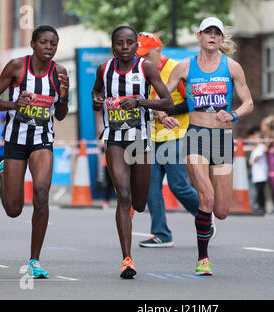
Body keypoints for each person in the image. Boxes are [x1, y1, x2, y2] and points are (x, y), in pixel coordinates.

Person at [161, 17, 254, 275]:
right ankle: (203, 259)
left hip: (222, 140)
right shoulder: (184, 67)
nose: (212, 36)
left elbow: (249, 102)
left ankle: (207, 220)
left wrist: (233, 115)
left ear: (222, 38)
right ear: (199, 36)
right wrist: (161, 115)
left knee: (221, 210)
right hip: (196, 137)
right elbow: (163, 98)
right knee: (207, 197)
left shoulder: (232, 67)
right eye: (207, 32)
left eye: (217, 33)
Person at [0, 25, 70, 279]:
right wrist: (13, 103)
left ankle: (35, 260)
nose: (49, 48)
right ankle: (3, 176)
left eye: (53, 44)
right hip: (15, 141)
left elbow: (61, 115)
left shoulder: (61, 73)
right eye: (43, 42)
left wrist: (64, 97)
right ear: (33, 44)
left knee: (42, 193)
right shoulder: (17, 67)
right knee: (13, 210)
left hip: (43, 141)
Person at [91, 25, 173, 279]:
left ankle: (134, 213)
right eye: (119, 43)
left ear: (136, 46)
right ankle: (127, 259)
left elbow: (167, 102)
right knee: (123, 195)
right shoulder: (103, 69)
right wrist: (97, 103)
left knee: (138, 201)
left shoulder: (146, 68)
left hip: (141, 140)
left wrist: (139, 101)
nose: (124, 47)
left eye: (129, 43)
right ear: (112, 45)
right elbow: (96, 92)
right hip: (114, 139)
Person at [136, 32, 202, 248]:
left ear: (158, 51)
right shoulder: (140, 70)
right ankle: (161, 234)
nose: (142, 59)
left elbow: (194, 102)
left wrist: (166, 111)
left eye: (146, 54)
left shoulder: (175, 68)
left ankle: (204, 216)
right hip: (150, 136)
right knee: (150, 187)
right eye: (140, 54)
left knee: (178, 186)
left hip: (177, 133)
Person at [249, 131, 268, 214]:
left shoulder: (261, 146)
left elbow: (257, 158)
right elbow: (250, 161)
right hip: (256, 174)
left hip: (261, 173)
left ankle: (262, 206)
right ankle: (259, 205)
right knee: (257, 190)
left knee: (260, 191)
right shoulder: (255, 148)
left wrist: (253, 160)